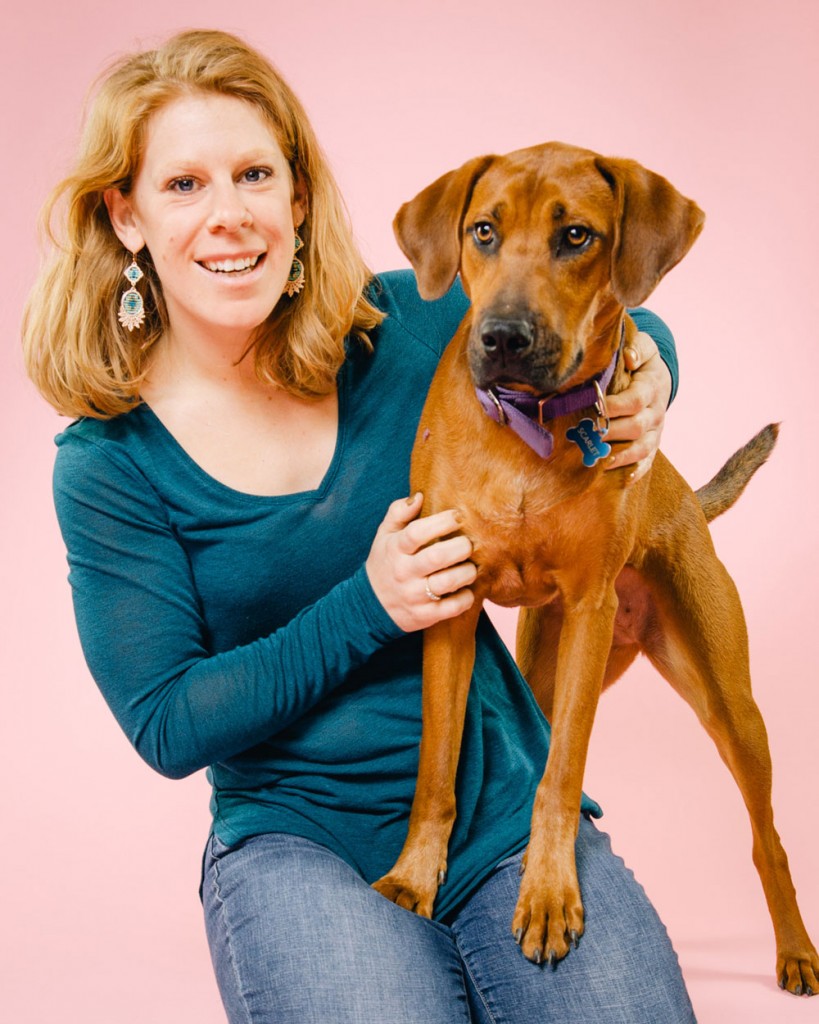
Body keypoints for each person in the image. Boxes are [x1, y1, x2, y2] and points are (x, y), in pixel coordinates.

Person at [23, 29, 697, 1024]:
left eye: (256, 173)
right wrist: (369, 604)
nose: (230, 215)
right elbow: (167, 721)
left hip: (505, 816)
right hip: (302, 843)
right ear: (126, 217)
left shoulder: (400, 326)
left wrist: (654, 377)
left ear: (298, 198)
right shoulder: (111, 464)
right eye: (183, 186)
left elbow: (592, 319)